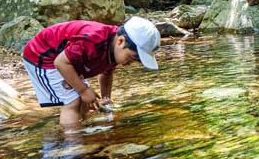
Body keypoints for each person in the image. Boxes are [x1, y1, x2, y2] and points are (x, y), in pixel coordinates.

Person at [22, 16, 161, 128]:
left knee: (86, 102)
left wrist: (106, 99)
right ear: (120, 41)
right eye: (133, 57)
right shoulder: (94, 40)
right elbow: (61, 62)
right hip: (43, 56)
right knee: (74, 101)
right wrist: (83, 90)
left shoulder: (114, 47)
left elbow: (106, 73)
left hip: (65, 59)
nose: (131, 63)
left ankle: (81, 129)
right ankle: (72, 145)